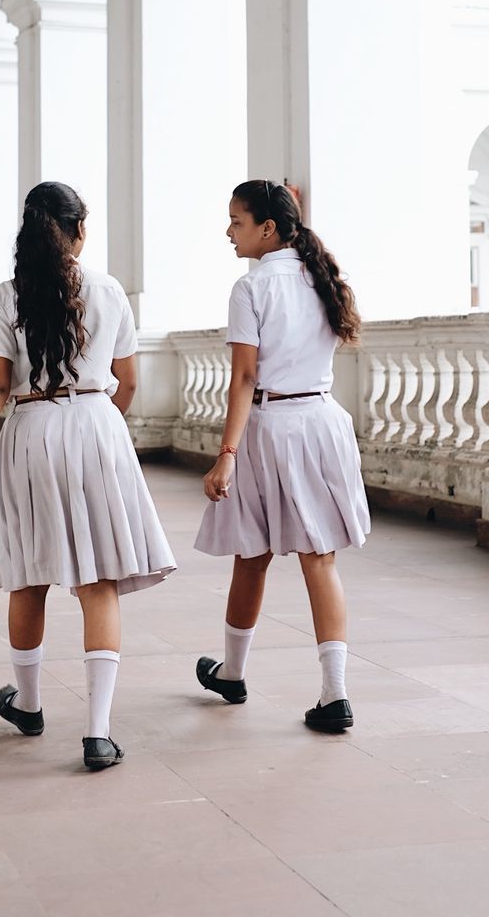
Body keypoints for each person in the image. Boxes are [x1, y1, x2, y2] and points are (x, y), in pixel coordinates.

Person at [0, 182, 175, 771]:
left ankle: (31, 705)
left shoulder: (6, 296)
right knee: (99, 582)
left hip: (31, 429)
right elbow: (129, 379)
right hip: (96, 424)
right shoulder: (108, 289)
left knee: (29, 573)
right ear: (79, 230)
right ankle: (97, 732)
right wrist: (97, 426)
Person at [195, 180, 370, 733]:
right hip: (321, 422)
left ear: (267, 227)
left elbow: (244, 377)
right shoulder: (321, 276)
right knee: (320, 559)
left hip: (270, 429)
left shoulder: (251, 289)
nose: (229, 231)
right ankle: (334, 694)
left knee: (253, 553)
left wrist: (226, 454)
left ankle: (234, 672)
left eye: (237, 221)